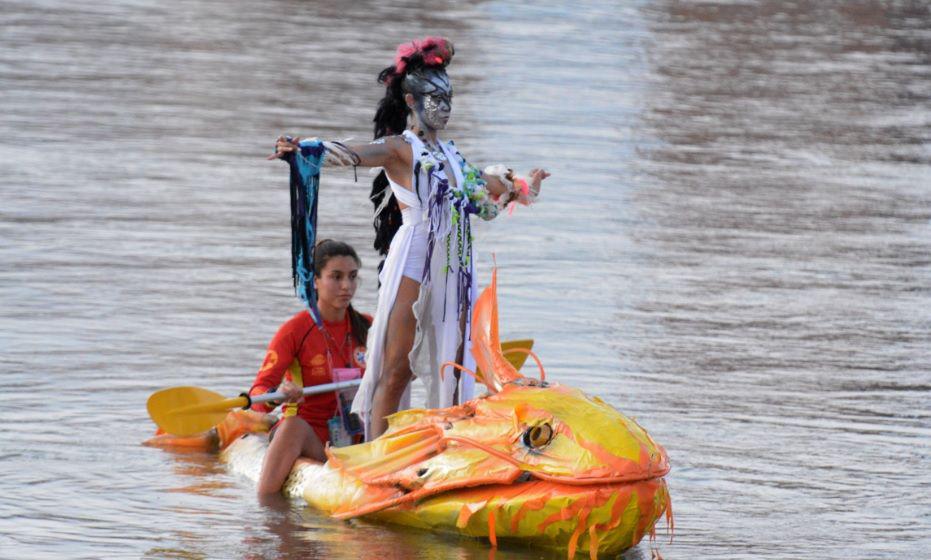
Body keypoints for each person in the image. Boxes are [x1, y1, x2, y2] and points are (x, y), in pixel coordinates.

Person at [272, 37, 550, 440]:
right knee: (397, 367)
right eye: (435, 98)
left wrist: (525, 186)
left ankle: (448, 441)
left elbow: (489, 189)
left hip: (455, 265)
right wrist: (304, 150)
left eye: (448, 98)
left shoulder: (453, 157)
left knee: (455, 362)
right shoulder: (400, 149)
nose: (445, 107)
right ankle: (376, 450)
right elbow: (355, 152)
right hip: (417, 256)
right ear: (410, 100)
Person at [248, 239, 371, 494]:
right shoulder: (295, 331)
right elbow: (257, 396)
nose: (347, 286)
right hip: (311, 438)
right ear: (315, 281)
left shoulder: (370, 327)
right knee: (292, 426)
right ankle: (268, 505)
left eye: (352, 276)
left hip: (358, 436)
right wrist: (279, 394)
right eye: (336, 277)